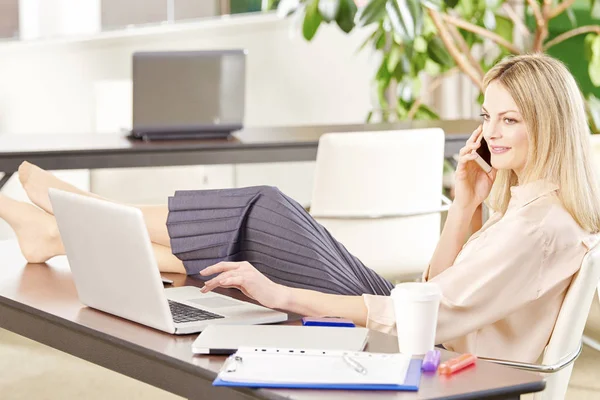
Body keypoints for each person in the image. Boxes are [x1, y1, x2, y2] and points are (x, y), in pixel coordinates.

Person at [1, 54, 599, 364]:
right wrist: (464, 205)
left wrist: (283, 296)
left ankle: (79, 215)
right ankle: (56, 235)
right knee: (254, 224)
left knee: (265, 208)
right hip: (413, 325)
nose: (490, 133)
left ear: (547, 121)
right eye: (485, 116)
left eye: (509, 119)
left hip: (424, 355)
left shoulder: (542, 227)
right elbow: (434, 291)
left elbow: (430, 318)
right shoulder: (526, 208)